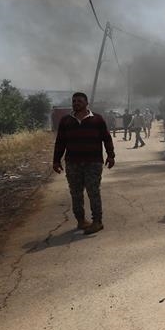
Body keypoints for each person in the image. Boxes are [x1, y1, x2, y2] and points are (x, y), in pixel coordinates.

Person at [53, 92, 115, 235]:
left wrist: (111, 156)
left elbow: (107, 138)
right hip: (73, 163)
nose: (76, 103)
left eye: (79, 101)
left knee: (93, 192)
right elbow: (60, 142)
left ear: (87, 103)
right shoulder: (66, 121)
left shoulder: (97, 119)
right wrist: (56, 160)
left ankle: (97, 221)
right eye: (74, 101)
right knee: (76, 194)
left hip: (93, 163)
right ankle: (81, 221)